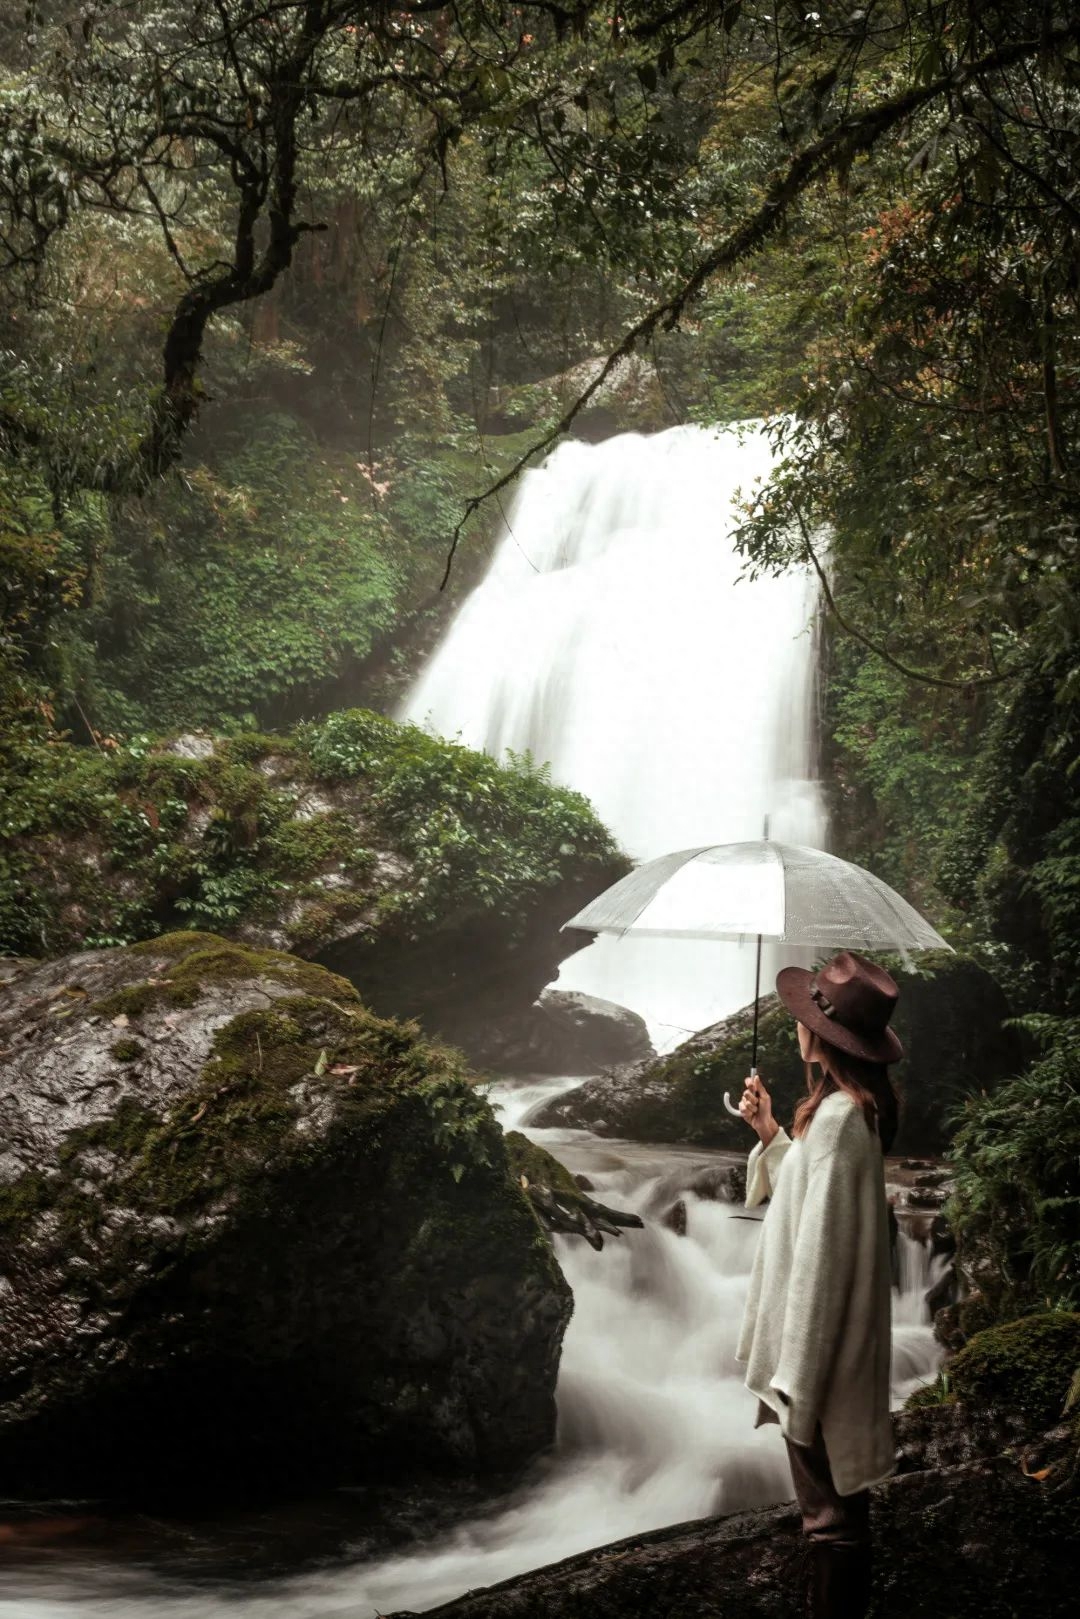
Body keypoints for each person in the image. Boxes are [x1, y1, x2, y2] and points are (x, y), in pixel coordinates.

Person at [734, 950, 903, 1619]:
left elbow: (822, 1260)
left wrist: (795, 1380)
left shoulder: (839, 1122)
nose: (797, 1025)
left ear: (822, 1034)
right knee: (833, 1518)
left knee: (830, 1522)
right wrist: (769, 1131)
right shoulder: (839, 1112)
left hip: (817, 1360)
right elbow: (811, 1194)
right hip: (827, 1354)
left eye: (805, 1016)